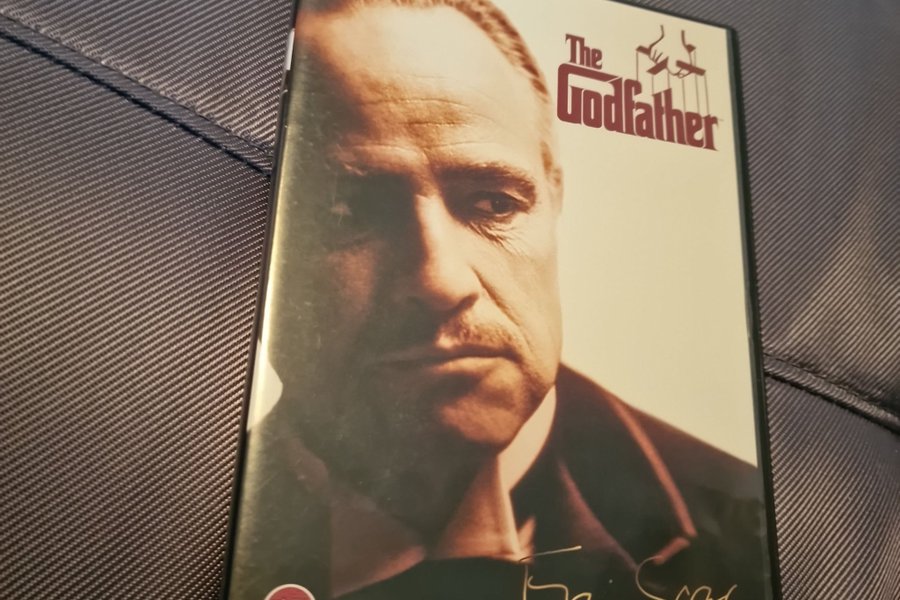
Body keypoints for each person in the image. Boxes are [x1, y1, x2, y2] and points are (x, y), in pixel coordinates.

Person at [228, 1, 769, 598]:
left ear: (554, 197)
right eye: (348, 212)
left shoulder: (746, 528)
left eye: (493, 203)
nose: (441, 282)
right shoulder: (175, 519)